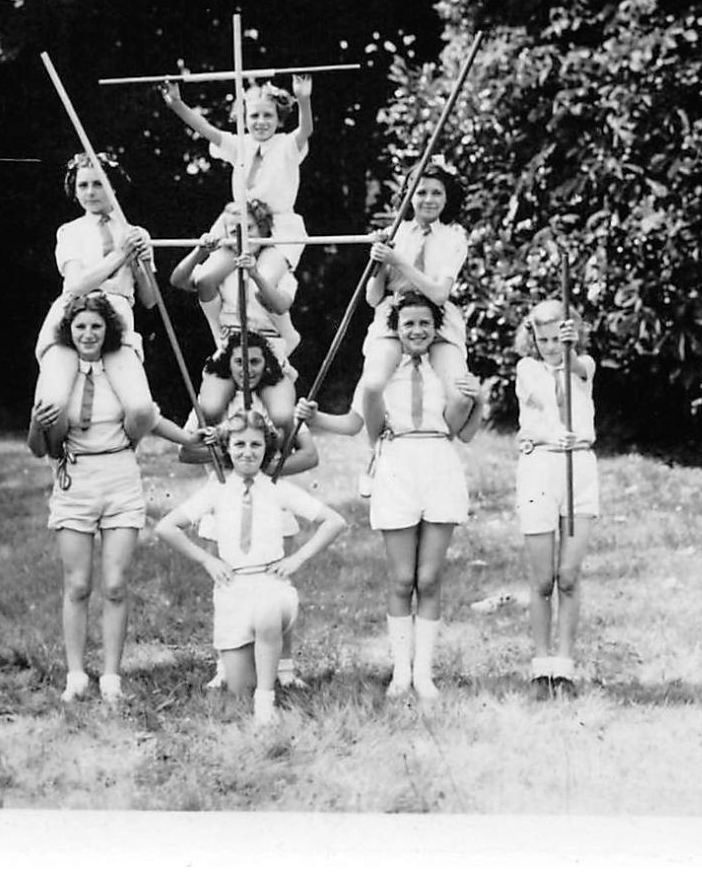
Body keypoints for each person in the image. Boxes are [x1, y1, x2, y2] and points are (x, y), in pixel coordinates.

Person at [296, 290, 486, 701]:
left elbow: (462, 431)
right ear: (395, 331)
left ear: (436, 330)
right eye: (408, 324)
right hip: (398, 465)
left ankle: (424, 673)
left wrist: (478, 399)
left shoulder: (447, 373)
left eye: (424, 324)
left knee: (430, 577)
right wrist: (315, 418)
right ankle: (401, 671)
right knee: (402, 579)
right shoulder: (379, 376)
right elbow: (354, 424)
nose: (417, 331)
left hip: (438, 463)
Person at [28, 292, 209, 705]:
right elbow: (37, 447)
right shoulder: (59, 375)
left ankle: (111, 674)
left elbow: (151, 418)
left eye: (96, 326)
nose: (88, 334)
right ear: (68, 332)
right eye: (80, 328)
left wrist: (189, 438)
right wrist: (39, 426)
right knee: (77, 584)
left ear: (108, 330)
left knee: (115, 584)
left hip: (121, 477)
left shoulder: (122, 371)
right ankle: (75, 674)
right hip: (76, 480)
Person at [155, 410, 347, 726]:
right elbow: (166, 527)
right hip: (233, 589)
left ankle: (266, 700)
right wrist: (207, 560)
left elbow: (334, 521)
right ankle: (255, 677)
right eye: (240, 444)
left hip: (272, 584)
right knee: (238, 689)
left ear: (267, 448)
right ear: (227, 448)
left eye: (256, 445)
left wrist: (297, 559)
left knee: (267, 612)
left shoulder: (276, 487)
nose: (247, 452)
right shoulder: (217, 489)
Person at [176, 330, 320, 691]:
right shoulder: (212, 404)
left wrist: (268, 470)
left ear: (266, 363)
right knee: (226, 580)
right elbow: (185, 451)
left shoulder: (275, 404)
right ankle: (226, 663)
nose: (247, 369)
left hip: (267, 496)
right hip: (224, 495)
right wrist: (220, 452)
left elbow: (309, 454)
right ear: (229, 363)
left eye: (255, 361)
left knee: (275, 580)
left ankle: (284, 667)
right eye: (240, 361)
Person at [30, 153, 159, 457]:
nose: (90, 192)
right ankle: (61, 460)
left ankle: (119, 455)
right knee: (54, 407)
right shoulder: (69, 231)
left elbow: (150, 300)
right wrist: (120, 255)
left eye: (98, 184)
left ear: (114, 187)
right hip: (71, 314)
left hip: (116, 316)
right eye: (83, 185)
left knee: (141, 409)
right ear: (74, 191)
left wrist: (141, 262)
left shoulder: (135, 232)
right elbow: (76, 285)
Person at [356, 166, 470, 495]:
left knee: (461, 396)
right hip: (395, 315)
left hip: (438, 319)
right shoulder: (395, 231)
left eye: (436, 192)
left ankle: (439, 455)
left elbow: (438, 293)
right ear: (407, 195)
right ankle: (374, 454)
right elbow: (373, 297)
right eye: (420, 192)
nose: (428, 199)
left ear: (447, 198)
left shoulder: (454, 236)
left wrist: (398, 259)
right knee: (374, 385)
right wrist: (378, 262)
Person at [514, 300, 599, 698]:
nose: (549, 346)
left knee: (568, 576)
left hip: (579, 469)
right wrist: (548, 437)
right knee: (543, 578)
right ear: (532, 338)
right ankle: (540, 665)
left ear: (572, 334)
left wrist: (570, 351)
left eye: (557, 338)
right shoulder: (526, 369)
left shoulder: (584, 366)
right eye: (542, 339)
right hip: (540, 470)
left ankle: (564, 667)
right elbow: (536, 413)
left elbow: (578, 372)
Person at [159, 75, 314, 270]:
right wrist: (177, 103)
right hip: (239, 222)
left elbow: (306, 130)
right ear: (244, 118)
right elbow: (205, 128)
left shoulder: (287, 144)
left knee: (264, 283)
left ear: (279, 118)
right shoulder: (240, 144)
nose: (261, 122)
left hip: (279, 226)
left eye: (268, 115)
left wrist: (303, 98)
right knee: (204, 278)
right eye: (254, 116)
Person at [168, 199, 300, 429]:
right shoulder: (219, 271)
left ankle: (271, 457)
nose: (240, 235)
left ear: (263, 229)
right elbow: (177, 280)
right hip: (231, 346)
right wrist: (200, 251)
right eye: (233, 230)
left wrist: (256, 274)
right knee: (210, 408)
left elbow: (280, 305)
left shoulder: (279, 270)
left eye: (248, 228)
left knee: (281, 415)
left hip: (269, 347)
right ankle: (222, 454)